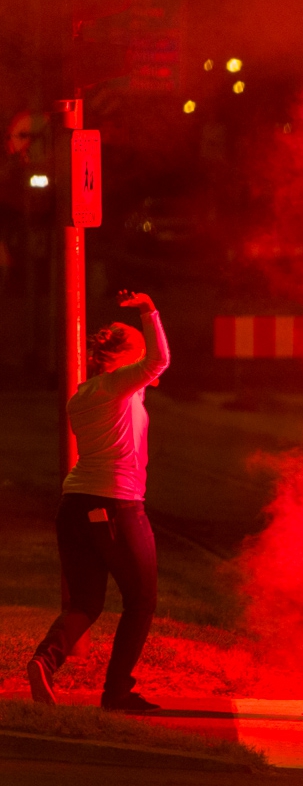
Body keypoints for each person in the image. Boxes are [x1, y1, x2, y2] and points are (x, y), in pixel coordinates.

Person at [27, 291, 170, 713]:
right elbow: (159, 361)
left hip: (74, 505)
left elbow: (149, 374)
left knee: (87, 602)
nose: (147, 357)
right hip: (116, 505)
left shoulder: (84, 395)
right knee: (141, 599)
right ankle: (117, 693)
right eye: (138, 350)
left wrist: (144, 372)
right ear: (123, 358)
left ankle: (44, 661)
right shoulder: (114, 388)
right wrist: (148, 311)